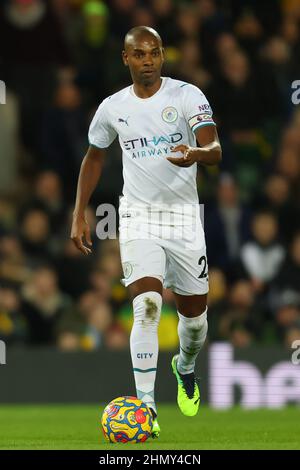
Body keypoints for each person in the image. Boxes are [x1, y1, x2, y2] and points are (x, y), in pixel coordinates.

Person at [71, 26, 221, 438]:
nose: (148, 60)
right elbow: (94, 157)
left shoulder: (187, 96)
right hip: (138, 218)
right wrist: (80, 211)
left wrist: (195, 153)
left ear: (163, 55)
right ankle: (147, 407)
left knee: (194, 321)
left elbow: (215, 149)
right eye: (139, 54)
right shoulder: (112, 108)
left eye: (154, 53)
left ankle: (185, 367)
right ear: (126, 59)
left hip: (185, 220)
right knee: (148, 306)